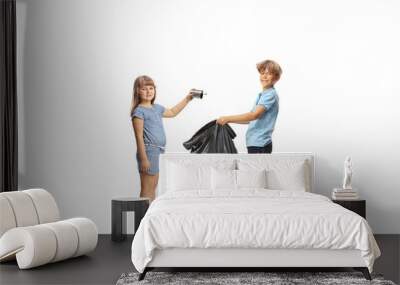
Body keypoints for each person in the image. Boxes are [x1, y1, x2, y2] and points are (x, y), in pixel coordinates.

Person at [131, 75, 194, 201]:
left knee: (152, 188)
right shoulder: (139, 111)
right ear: (137, 91)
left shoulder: (157, 108)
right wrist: (143, 158)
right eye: (144, 89)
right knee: (147, 188)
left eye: (151, 88)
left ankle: (148, 216)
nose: (149, 92)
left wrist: (187, 99)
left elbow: (172, 112)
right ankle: (143, 218)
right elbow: (138, 137)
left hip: (158, 151)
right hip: (149, 151)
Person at [217, 59, 282, 153]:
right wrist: (229, 120)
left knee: (257, 168)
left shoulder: (270, 94)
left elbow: (254, 115)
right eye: (262, 73)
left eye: (268, 73)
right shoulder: (263, 95)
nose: (264, 76)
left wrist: (227, 118)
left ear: (276, 77)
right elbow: (251, 119)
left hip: (260, 144)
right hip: (255, 143)